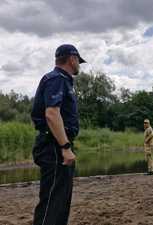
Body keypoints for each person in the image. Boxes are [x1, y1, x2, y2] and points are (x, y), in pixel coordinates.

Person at [31, 44, 86, 225]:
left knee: (60, 201)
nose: (79, 64)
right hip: (54, 146)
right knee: (53, 202)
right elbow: (51, 114)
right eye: (78, 60)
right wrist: (65, 147)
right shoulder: (57, 79)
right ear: (72, 58)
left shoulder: (61, 80)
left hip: (56, 144)